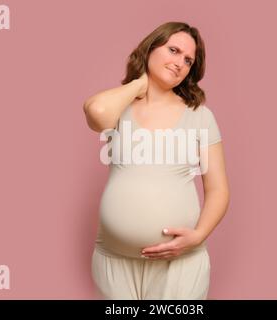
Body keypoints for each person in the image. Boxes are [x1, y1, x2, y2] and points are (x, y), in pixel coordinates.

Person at [83, 21, 230, 300]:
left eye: (188, 60)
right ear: (150, 48)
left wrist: (198, 236)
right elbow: (97, 112)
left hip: (179, 264)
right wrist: (140, 83)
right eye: (173, 50)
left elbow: (219, 189)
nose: (180, 63)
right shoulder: (119, 107)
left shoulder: (199, 115)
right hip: (114, 261)